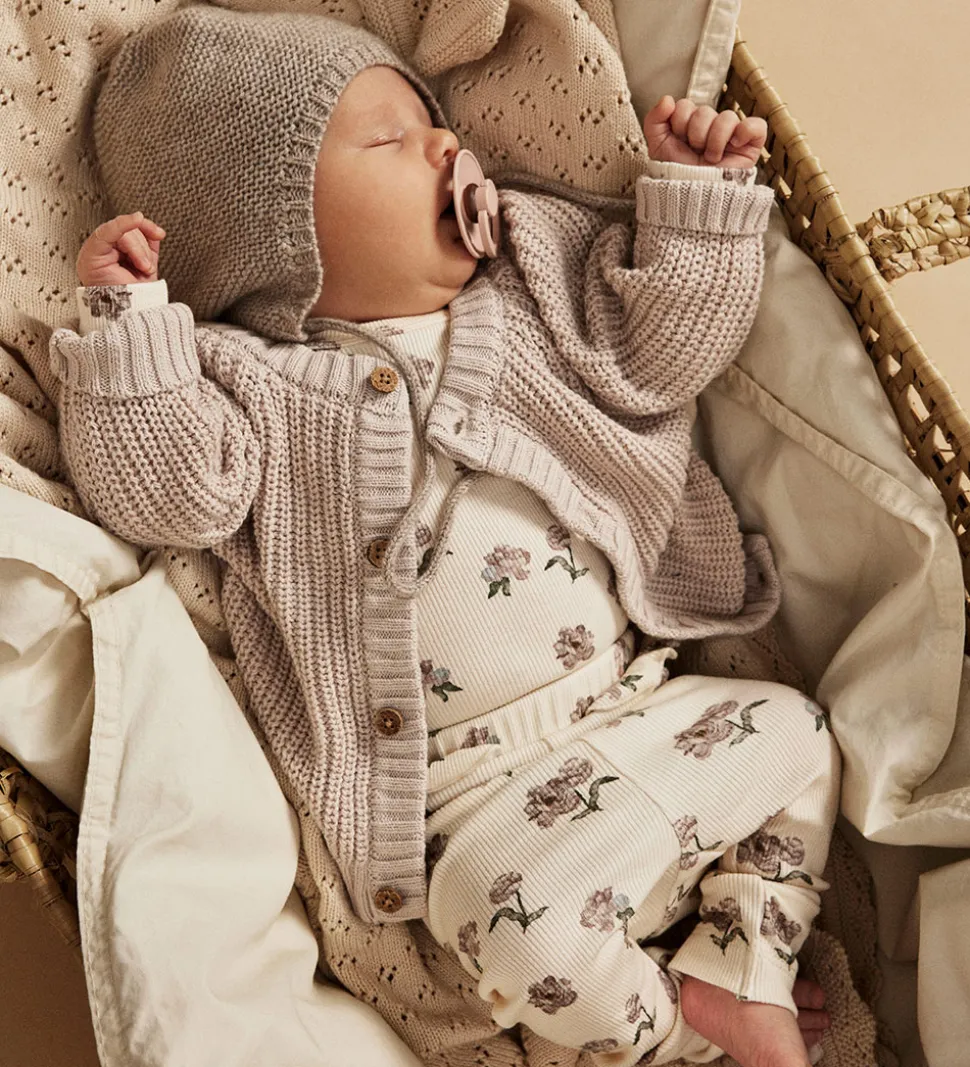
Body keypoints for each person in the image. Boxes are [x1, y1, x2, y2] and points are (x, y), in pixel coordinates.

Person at [50, 6, 840, 1066]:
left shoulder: (531, 281)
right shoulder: (253, 388)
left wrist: (693, 204)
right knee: (502, 918)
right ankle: (675, 1029)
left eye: (433, 123)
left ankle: (744, 958)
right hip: (475, 807)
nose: (443, 143)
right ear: (272, 241)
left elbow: (659, 357)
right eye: (387, 138)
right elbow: (165, 498)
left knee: (797, 729)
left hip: (639, 710)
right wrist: (131, 335)